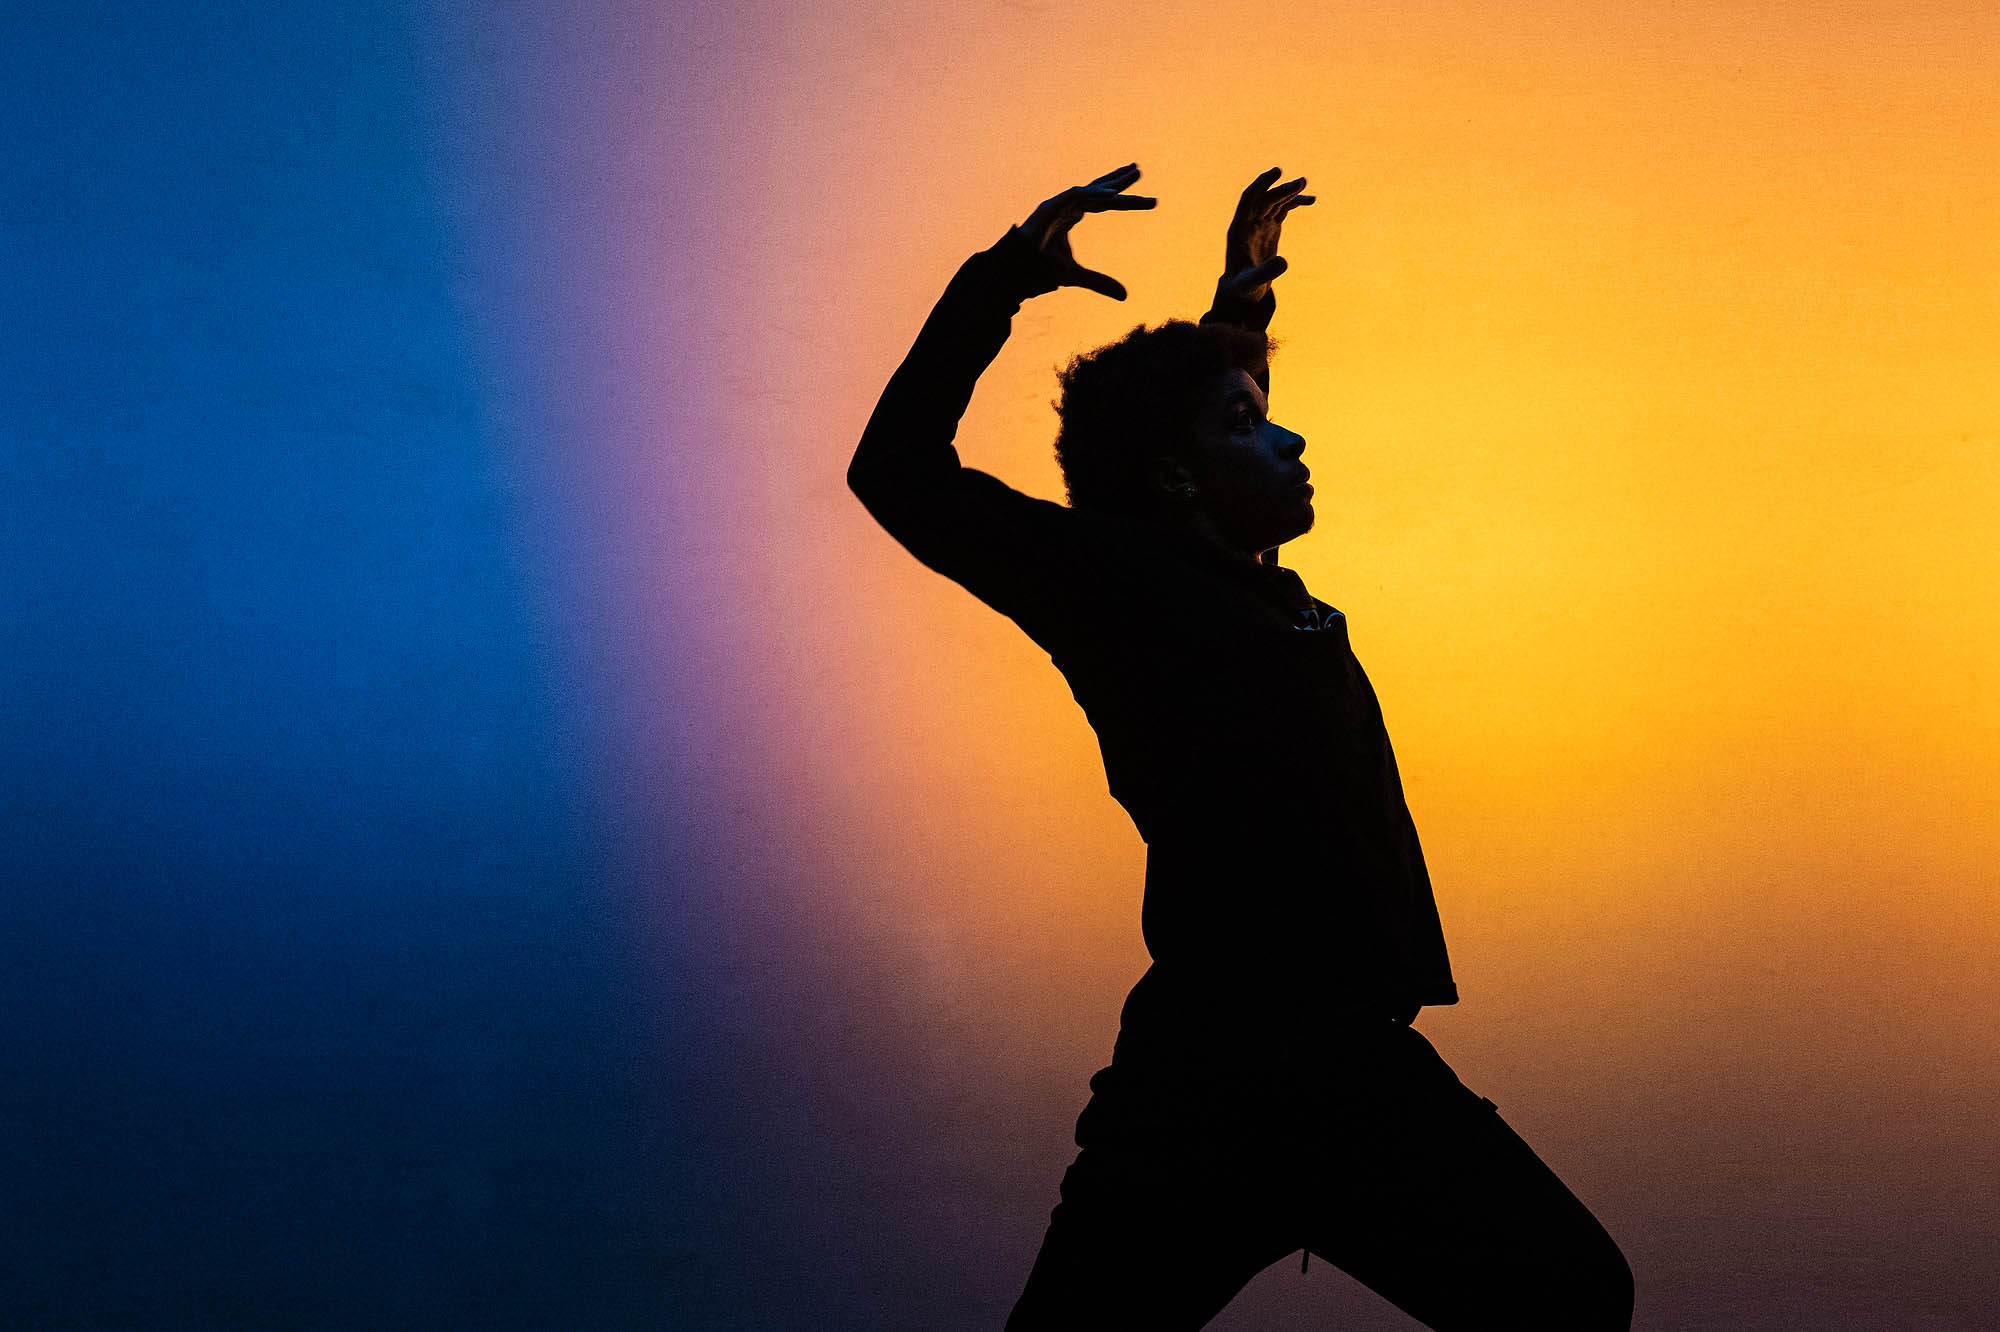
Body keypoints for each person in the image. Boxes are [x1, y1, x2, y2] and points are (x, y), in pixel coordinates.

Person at [848, 164, 1634, 1330]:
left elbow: (1197, 425)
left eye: (1265, 416)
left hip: (1353, 1079)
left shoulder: (1255, 591)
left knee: (1570, 1294)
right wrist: (1004, 279)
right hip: (1212, 1092)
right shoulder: (1115, 586)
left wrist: (1241, 311)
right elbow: (897, 474)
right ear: (1173, 478)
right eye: (1245, 428)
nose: (1288, 436)